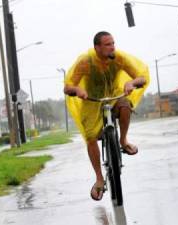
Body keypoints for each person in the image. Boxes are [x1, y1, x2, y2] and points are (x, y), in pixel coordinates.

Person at [63, 31, 150, 201]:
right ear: (97, 47)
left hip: (114, 95)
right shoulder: (85, 62)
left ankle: (123, 141)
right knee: (90, 138)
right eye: (108, 44)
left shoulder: (119, 58)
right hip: (92, 101)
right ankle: (99, 178)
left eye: (113, 43)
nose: (112, 47)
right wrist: (77, 90)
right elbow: (67, 88)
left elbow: (141, 77)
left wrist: (131, 82)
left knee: (125, 106)